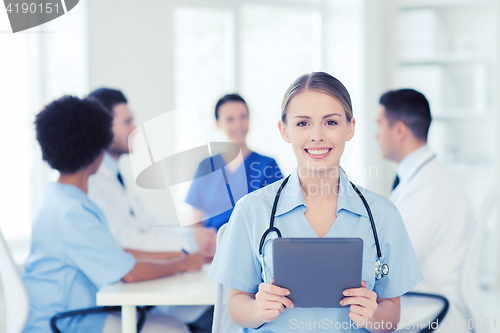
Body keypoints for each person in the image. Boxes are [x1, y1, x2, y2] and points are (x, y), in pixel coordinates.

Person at [208, 72, 423, 333]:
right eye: (302, 124)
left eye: (331, 122)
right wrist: (257, 309)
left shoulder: (383, 216)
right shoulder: (251, 211)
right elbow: (236, 305)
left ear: (350, 127)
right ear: (284, 130)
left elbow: (391, 314)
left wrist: (373, 315)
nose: (317, 136)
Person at [22, 95, 204, 333]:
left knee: (173, 324)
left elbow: (119, 254)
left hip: (67, 313)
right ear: (96, 148)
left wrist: (182, 257)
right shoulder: (74, 212)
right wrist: (182, 263)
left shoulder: (60, 198)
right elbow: (129, 272)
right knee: (175, 329)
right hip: (68, 321)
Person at [86, 88, 215, 332]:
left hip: (137, 288)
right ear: (102, 127)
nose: (134, 129)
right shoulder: (93, 181)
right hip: (114, 297)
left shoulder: (115, 174)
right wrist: (188, 244)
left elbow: (147, 222)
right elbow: (126, 239)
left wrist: (189, 238)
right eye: (127, 122)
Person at [376, 89, 474, 332]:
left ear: (399, 131)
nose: (376, 135)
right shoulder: (423, 178)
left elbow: (393, 262)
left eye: (379, 125)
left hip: (433, 313)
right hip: (422, 306)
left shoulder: (428, 188)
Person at [185, 94, 283, 231]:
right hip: (214, 248)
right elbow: (195, 223)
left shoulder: (267, 165)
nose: (238, 124)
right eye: (230, 119)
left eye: (243, 117)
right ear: (218, 123)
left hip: (253, 246)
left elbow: (278, 216)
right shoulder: (206, 167)